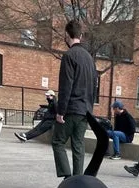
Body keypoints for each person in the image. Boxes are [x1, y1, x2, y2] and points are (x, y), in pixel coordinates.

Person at [51, 20, 97, 179]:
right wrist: (90, 109)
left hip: (71, 108)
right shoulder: (89, 58)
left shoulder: (69, 56)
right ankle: (78, 182)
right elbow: (94, 86)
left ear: (66, 35)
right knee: (78, 145)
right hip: (85, 110)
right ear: (81, 35)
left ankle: (68, 179)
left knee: (58, 142)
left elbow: (66, 86)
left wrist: (60, 111)